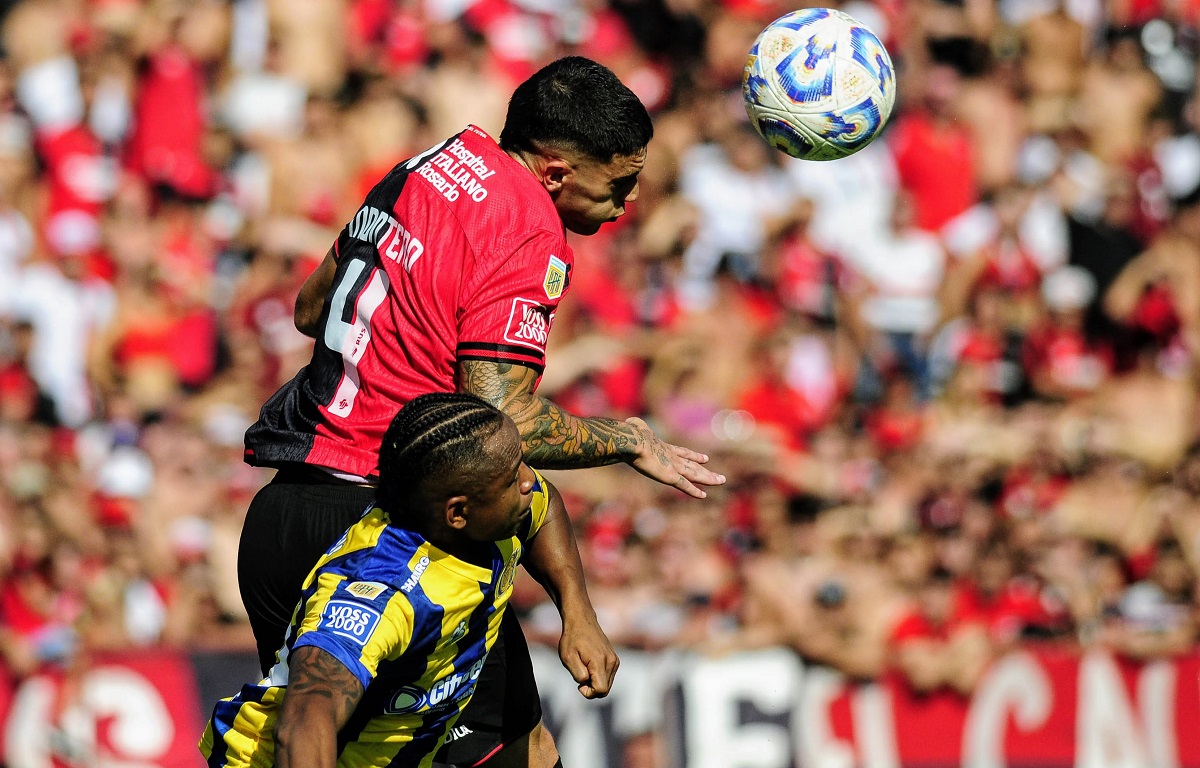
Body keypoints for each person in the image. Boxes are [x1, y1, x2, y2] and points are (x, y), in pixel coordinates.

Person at [239, 56, 726, 768]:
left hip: (283, 522)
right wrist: (627, 440)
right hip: (392, 534)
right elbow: (506, 420)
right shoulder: (528, 227)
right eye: (618, 185)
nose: (626, 205)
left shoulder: (429, 164)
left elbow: (313, 309)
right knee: (514, 755)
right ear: (557, 171)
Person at [203, 393, 616, 767]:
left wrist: (579, 615)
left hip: (403, 742)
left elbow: (545, 507)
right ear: (457, 513)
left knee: (532, 752)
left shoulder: (490, 511)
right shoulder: (382, 592)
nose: (529, 480)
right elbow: (304, 725)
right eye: (512, 478)